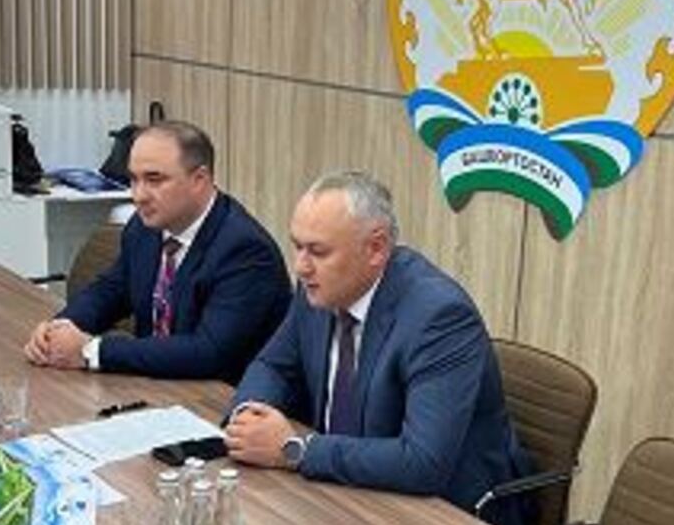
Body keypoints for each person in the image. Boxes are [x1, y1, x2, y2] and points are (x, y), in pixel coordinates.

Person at [224, 171, 530, 525]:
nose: (301, 266)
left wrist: (296, 450)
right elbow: (274, 366)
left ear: (376, 248)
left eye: (318, 251)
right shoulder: (320, 287)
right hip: (342, 493)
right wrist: (248, 418)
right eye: (297, 246)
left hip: (440, 509)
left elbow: (423, 462)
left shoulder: (439, 317)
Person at [24, 121, 292, 383]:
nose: (139, 196)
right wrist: (59, 330)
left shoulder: (245, 250)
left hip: (220, 399)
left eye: (154, 180)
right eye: (133, 179)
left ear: (199, 180)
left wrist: (90, 351)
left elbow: (209, 352)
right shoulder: (145, 227)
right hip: (156, 386)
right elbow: (110, 290)